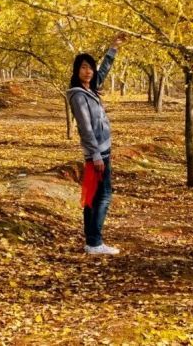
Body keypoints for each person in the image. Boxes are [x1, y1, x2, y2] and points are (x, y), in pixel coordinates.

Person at [66, 34, 127, 255]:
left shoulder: (90, 89)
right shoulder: (78, 95)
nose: (88, 71)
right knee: (103, 195)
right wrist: (96, 155)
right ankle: (95, 242)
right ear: (76, 71)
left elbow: (103, 72)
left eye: (90, 68)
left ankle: (92, 241)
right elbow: (85, 128)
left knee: (94, 195)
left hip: (103, 150)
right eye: (83, 68)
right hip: (97, 153)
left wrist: (113, 48)